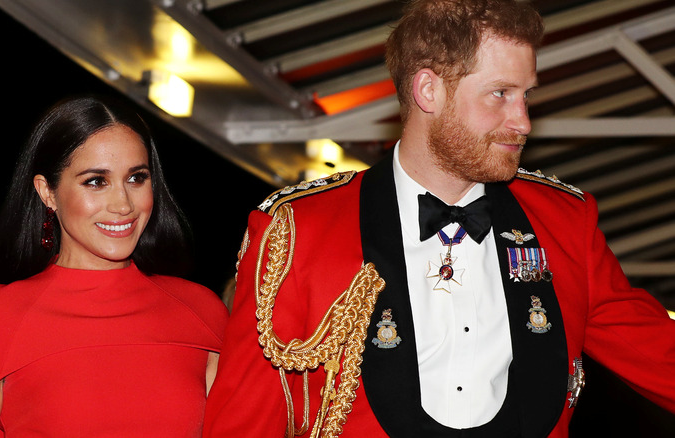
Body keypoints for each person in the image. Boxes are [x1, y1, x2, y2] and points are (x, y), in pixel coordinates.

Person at [203, 0, 675, 437]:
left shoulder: (565, 223)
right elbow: (245, 423)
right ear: (428, 90)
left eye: (526, 95)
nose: (524, 121)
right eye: (500, 94)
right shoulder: (300, 230)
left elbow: (660, 356)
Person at [0, 95, 228, 437]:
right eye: (96, 181)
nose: (123, 204)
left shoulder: (201, 312)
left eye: (136, 178)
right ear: (47, 192)